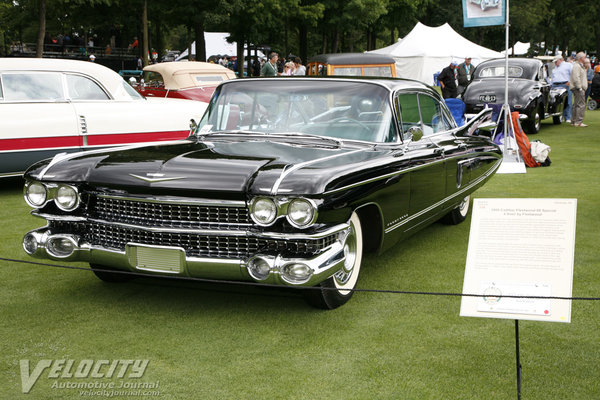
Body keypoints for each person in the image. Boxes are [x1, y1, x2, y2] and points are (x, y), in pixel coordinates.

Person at [551, 54, 573, 123]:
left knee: (568, 101)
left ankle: (568, 117)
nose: (555, 63)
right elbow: (552, 77)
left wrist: (570, 82)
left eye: (556, 61)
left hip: (565, 84)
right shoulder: (555, 68)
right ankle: (559, 116)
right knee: (557, 102)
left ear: (560, 60)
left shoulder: (568, 65)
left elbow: (573, 74)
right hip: (555, 85)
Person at [570, 52, 588, 127]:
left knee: (576, 104)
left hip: (578, 87)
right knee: (581, 105)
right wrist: (579, 87)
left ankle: (574, 121)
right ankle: (578, 121)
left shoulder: (579, 66)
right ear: (581, 58)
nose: (585, 59)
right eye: (584, 57)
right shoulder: (577, 66)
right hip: (578, 88)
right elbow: (576, 77)